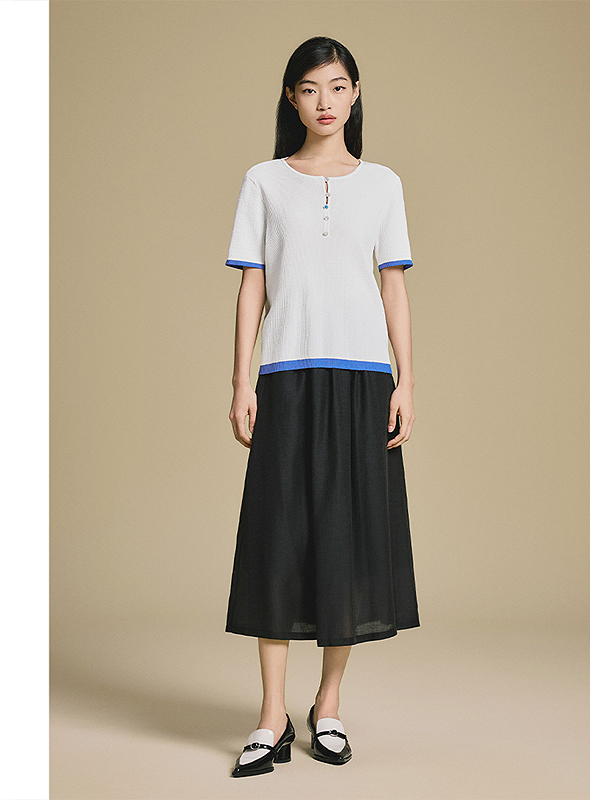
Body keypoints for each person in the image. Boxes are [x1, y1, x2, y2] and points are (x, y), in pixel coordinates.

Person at [224, 35, 420, 778]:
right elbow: (252, 284)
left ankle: (327, 704)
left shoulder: (383, 185)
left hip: (363, 378)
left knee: (349, 540)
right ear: (292, 99)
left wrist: (406, 380)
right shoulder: (263, 181)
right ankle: (271, 716)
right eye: (310, 89)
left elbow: (393, 284)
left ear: (356, 93)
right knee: (276, 541)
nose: (325, 102)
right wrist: (241, 381)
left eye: (337, 87)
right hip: (286, 373)